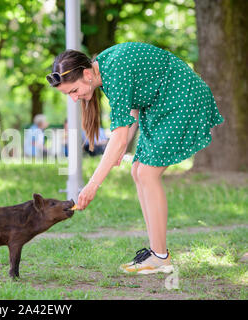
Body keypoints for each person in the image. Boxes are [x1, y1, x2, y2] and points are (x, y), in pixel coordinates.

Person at [46, 42, 224, 275]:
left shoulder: (113, 72)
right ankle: (156, 252)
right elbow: (132, 110)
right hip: (161, 104)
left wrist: (92, 185)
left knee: (148, 174)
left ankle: (161, 257)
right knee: (138, 171)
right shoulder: (105, 69)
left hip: (180, 99)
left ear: (87, 74)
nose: (74, 98)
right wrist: (120, 148)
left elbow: (118, 137)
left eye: (73, 91)